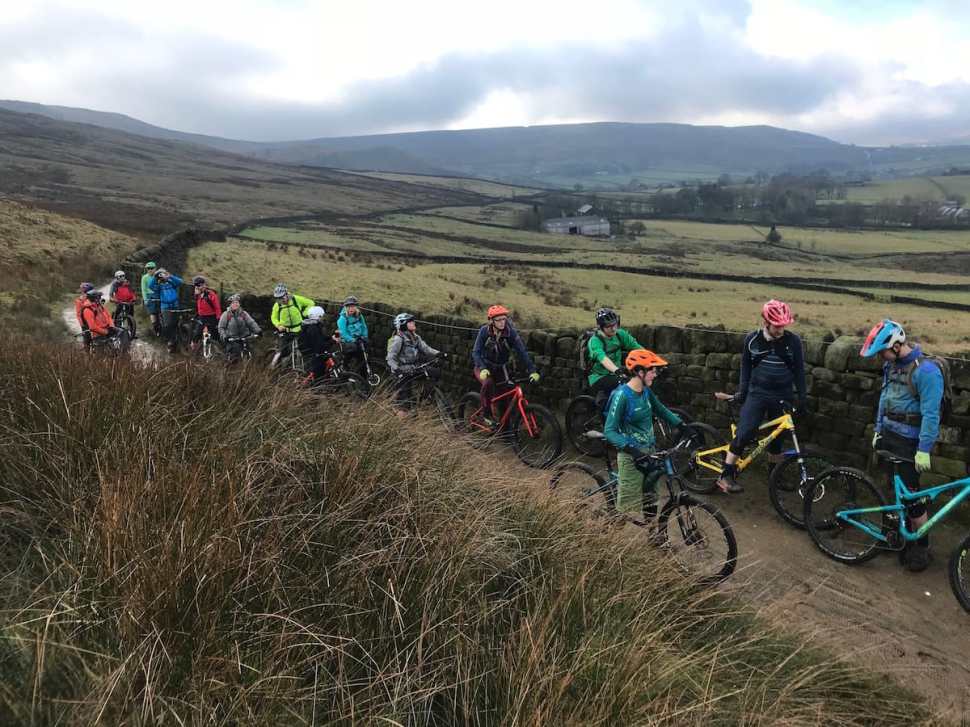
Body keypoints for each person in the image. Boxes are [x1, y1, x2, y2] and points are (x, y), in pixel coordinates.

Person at [862, 319, 944, 572]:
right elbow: (884, 399)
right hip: (888, 436)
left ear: (896, 345)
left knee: (913, 498)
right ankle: (895, 535)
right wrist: (878, 429)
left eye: (882, 352)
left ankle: (921, 546)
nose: (880, 358)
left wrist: (923, 449)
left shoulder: (927, 371)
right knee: (892, 491)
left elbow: (931, 414)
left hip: (910, 442)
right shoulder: (892, 365)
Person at [717, 299, 807, 494]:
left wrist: (802, 396)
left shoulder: (794, 341)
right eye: (777, 325)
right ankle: (725, 475)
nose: (781, 329)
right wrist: (742, 391)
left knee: (777, 438)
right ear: (766, 322)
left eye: (784, 324)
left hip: (783, 394)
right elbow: (745, 367)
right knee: (745, 432)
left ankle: (774, 477)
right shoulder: (752, 339)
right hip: (757, 393)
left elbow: (799, 370)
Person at [603, 349, 684, 519]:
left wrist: (683, 425)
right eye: (652, 371)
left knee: (651, 498)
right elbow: (609, 430)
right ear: (640, 372)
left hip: (649, 453)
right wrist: (632, 450)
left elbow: (660, 409)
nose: (655, 375)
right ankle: (611, 537)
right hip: (631, 457)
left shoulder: (646, 391)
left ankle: (651, 535)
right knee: (625, 509)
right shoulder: (622, 395)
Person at [472, 304, 539, 425]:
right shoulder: (484, 331)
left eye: (504, 319)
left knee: (504, 399)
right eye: (498, 320)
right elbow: (476, 352)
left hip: (500, 368)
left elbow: (522, 352)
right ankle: (486, 415)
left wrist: (532, 370)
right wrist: (482, 368)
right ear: (492, 321)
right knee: (488, 383)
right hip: (483, 366)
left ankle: (505, 433)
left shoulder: (511, 334)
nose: (502, 322)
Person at [387, 313, 446, 416]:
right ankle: (402, 411)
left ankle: (425, 398)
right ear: (403, 325)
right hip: (402, 370)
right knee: (406, 398)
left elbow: (426, 349)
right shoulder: (398, 339)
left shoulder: (416, 337)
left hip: (415, 366)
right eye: (410, 322)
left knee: (435, 372)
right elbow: (390, 358)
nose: (413, 323)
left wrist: (438, 353)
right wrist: (397, 370)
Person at [587, 307, 646, 409]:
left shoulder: (620, 334)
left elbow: (638, 349)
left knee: (641, 379)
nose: (613, 328)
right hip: (599, 377)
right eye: (609, 326)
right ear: (601, 327)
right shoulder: (595, 341)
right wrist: (617, 370)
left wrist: (654, 361)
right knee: (628, 385)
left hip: (617, 373)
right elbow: (603, 359)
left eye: (615, 324)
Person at [269, 283, 314, 368]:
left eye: (282, 297)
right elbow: (273, 317)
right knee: (282, 351)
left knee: (304, 348)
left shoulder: (296, 299)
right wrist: (278, 325)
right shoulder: (277, 305)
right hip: (285, 331)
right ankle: (272, 367)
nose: (281, 300)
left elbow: (311, 303)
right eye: (278, 298)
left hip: (299, 329)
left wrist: (305, 313)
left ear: (286, 294)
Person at [298, 306, 339, 384]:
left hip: (313, 351)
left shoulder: (313, 325)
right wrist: (332, 341)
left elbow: (322, 338)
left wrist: (331, 338)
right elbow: (320, 346)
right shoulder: (313, 329)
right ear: (318, 316)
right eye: (322, 316)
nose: (323, 318)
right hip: (312, 354)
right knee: (319, 370)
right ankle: (318, 387)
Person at [148, 268, 184, 353]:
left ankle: (176, 342)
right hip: (165, 307)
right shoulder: (158, 284)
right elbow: (151, 286)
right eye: (161, 274)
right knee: (167, 325)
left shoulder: (171, 281)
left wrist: (169, 276)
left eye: (163, 274)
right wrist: (156, 276)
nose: (162, 276)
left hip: (175, 305)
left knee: (175, 324)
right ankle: (170, 342)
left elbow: (180, 282)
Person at [218, 294, 261, 362]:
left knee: (254, 354)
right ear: (230, 304)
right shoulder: (226, 314)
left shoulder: (244, 314)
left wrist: (258, 331)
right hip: (232, 340)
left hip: (245, 337)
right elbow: (221, 328)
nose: (235, 304)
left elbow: (251, 323)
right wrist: (225, 336)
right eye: (233, 303)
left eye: (237, 302)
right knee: (235, 357)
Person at [337, 295, 369, 373]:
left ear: (356, 307)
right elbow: (343, 333)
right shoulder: (342, 318)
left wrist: (364, 336)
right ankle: (344, 366)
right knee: (352, 349)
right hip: (347, 341)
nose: (351, 308)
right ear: (345, 307)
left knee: (364, 352)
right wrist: (352, 340)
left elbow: (364, 326)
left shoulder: (359, 315)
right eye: (349, 307)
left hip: (358, 338)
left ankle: (362, 374)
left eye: (353, 306)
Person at [190, 276, 222, 354]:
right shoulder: (197, 294)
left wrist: (218, 320)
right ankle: (194, 348)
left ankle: (218, 350)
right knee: (197, 333)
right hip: (201, 317)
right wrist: (196, 294)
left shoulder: (211, 295)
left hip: (212, 317)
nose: (199, 287)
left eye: (201, 285)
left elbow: (217, 308)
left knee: (215, 334)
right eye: (197, 286)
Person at [141, 261, 160, 334]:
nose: (150, 270)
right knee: (153, 313)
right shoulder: (144, 278)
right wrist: (145, 299)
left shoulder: (158, 276)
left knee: (160, 312)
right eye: (148, 268)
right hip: (149, 296)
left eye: (152, 268)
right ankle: (155, 328)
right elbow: (143, 289)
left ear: (155, 268)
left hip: (158, 295)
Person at [75, 282, 96, 348]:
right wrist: (82, 325)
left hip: (94, 320)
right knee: (87, 338)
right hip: (85, 322)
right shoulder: (80, 300)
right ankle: (87, 353)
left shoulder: (93, 298)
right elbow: (79, 314)